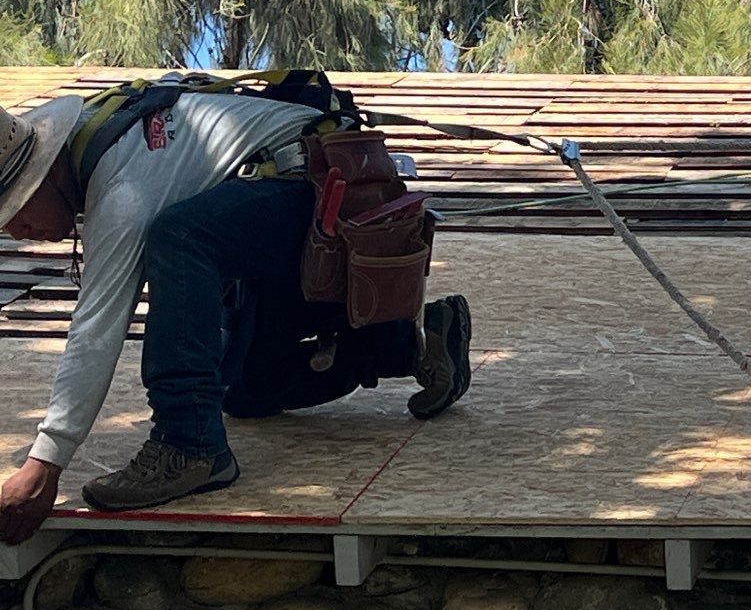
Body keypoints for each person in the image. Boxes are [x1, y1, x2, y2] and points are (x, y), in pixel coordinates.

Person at [0, 82, 472, 542]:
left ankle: (188, 443)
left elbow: (96, 330)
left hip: (316, 184)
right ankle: (416, 343)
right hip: (271, 196)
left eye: (17, 211)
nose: (18, 233)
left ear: (45, 174)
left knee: (179, 237)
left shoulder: (121, 192)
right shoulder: (93, 137)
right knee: (247, 391)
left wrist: (44, 464)